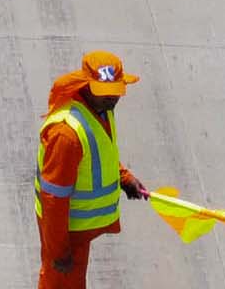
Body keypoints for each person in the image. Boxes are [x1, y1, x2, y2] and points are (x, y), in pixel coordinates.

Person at [36, 54, 150, 286]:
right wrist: (58, 250)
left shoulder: (101, 110)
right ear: (85, 85)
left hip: (78, 229)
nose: (111, 98)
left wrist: (124, 178)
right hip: (64, 229)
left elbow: (98, 153)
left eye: (116, 91)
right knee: (59, 283)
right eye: (103, 91)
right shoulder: (66, 135)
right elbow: (53, 198)